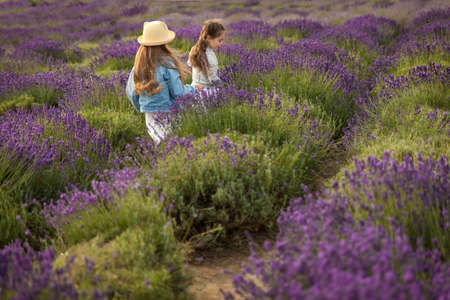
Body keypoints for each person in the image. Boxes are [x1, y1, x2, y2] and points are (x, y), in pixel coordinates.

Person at [126, 20, 202, 145]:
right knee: (171, 143)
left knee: (160, 143)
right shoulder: (167, 64)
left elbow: (131, 93)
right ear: (165, 43)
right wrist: (194, 89)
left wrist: (142, 107)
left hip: (149, 115)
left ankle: (160, 163)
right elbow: (178, 92)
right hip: (168, 113)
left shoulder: (138, 67)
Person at [188, 19, 226, 90]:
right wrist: (224, 86)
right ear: (209, 38)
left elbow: (189, 64)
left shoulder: (194, 49)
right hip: (206, 91)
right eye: (219, 40)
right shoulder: (210, 56)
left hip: (194, 87)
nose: (221, 43)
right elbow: (213, 79)